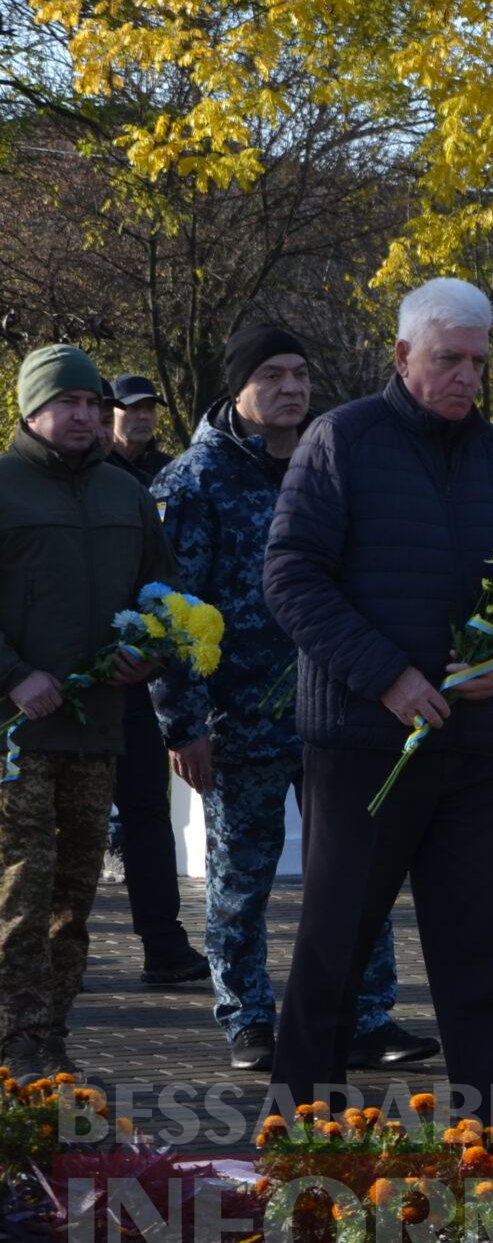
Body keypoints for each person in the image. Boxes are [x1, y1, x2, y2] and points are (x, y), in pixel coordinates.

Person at [263, 277, 493, 1123]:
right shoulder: (341, 440)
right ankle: (301, 1122)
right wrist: (387, 674)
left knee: (482, 949)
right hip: (363, 742)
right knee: (335, 946)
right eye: (449, 359)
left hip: (476, 743)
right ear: (402, 356)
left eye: (479, 362)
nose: (467, 377)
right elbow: (290, 577)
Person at [153, 326, 433, 1072]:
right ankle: (246, 1014)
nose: (292, 389)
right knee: (241, 879)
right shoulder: (194, 481)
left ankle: (368, 1015)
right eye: (273, 375)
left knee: (355, 868)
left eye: (301, 375)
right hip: (237, 718)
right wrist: (183, 724)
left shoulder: (332, 461)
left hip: (338, 707)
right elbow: (170, 613)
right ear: (238, 387)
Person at [0, 346, 176, 1072]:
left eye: (92, 404)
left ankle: (52, 1038)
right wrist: (13, 677)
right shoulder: (4, 486)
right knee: (19, 890)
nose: (84, 416)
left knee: (76, 893)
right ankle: (13, 1046)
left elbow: (162, 593)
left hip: (96, 728)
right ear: (31, 411)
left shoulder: (124, 492)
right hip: (16, 734)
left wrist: (151, 651)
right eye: (68, 403)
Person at [97, 371, 207, 986]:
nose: (140, 418)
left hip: (136, 680)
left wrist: (157, 651)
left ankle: (164, 945)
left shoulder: (165, 478)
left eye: (149, 409)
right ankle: (57, 952)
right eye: (128, 409)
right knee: (65, 828)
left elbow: (167, 582)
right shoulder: (39, 486)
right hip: (59, 687)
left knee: (145, 813)